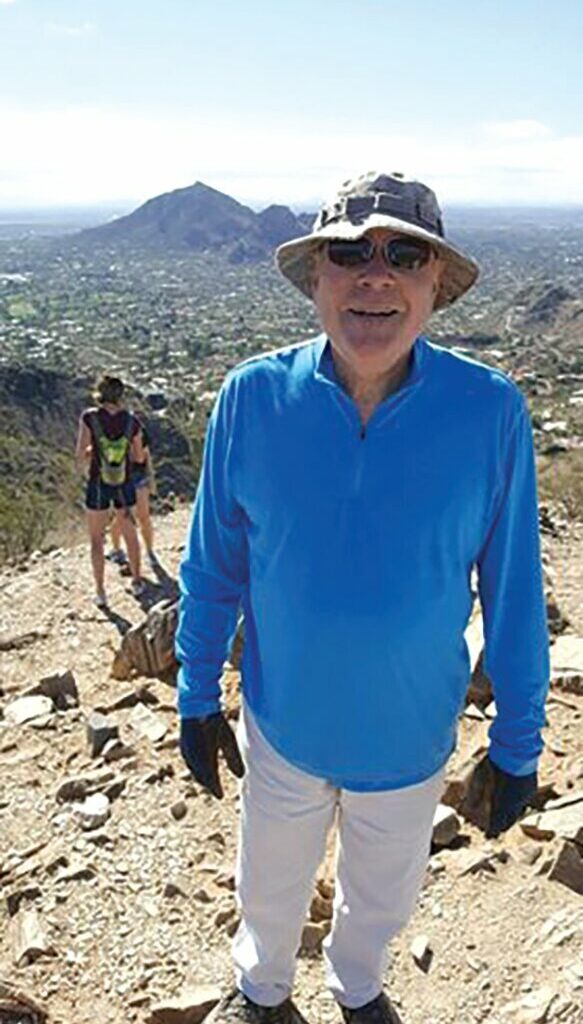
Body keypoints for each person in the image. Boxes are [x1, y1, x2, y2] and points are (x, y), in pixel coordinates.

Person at [176, 172, 550, 1024]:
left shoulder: (489, 413)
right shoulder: (252, 397)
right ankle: (263, 991)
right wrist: (196, 691)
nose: (373, 274)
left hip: (410, 731)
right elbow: (215, 561)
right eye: (349, 253)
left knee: (380, 894)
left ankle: (356, 987)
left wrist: (517, 743)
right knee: (268, 883)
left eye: (403, 255)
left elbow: (512, 589)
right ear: (317, 278)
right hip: (281, 722)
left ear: (433, 287)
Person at [75, 374, 145, 607]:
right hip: (124, 483)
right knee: (129, 533)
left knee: (96, 539)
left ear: (100, 393)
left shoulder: (90, 417)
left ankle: (101, 592)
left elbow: (80, 454)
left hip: (97, 483)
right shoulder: (132, 421)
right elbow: (138, 456)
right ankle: (136, 581)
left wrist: (92, 452)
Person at [109, 421, 158, 567]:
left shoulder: (140, 432)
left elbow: (145, 458)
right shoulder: (115, 436)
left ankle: (149, 551)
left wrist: (151, 482)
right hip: (122, 479)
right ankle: (117, 548)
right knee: (121, 518)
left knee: (143, 516)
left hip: (138, 478)